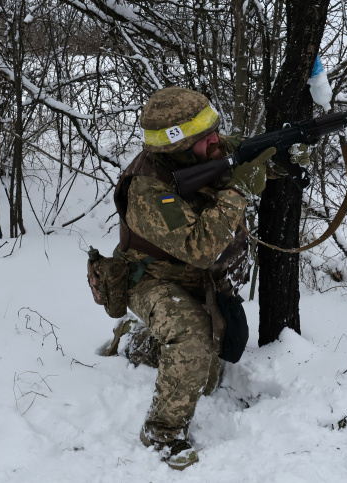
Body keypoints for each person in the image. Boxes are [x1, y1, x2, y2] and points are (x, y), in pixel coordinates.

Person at [105, 86, 281, 470]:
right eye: (205, 137)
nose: (217, 140)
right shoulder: (147, 189)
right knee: (192, 337)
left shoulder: (206, 149)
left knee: (209, 376)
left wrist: (285, 154)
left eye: (214, 129)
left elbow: (250, 153)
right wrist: (237, 191)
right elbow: (200, 247)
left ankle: (142, 343)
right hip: (148, 278)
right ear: (178, 148)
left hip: (194, 277)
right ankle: (162, 433)